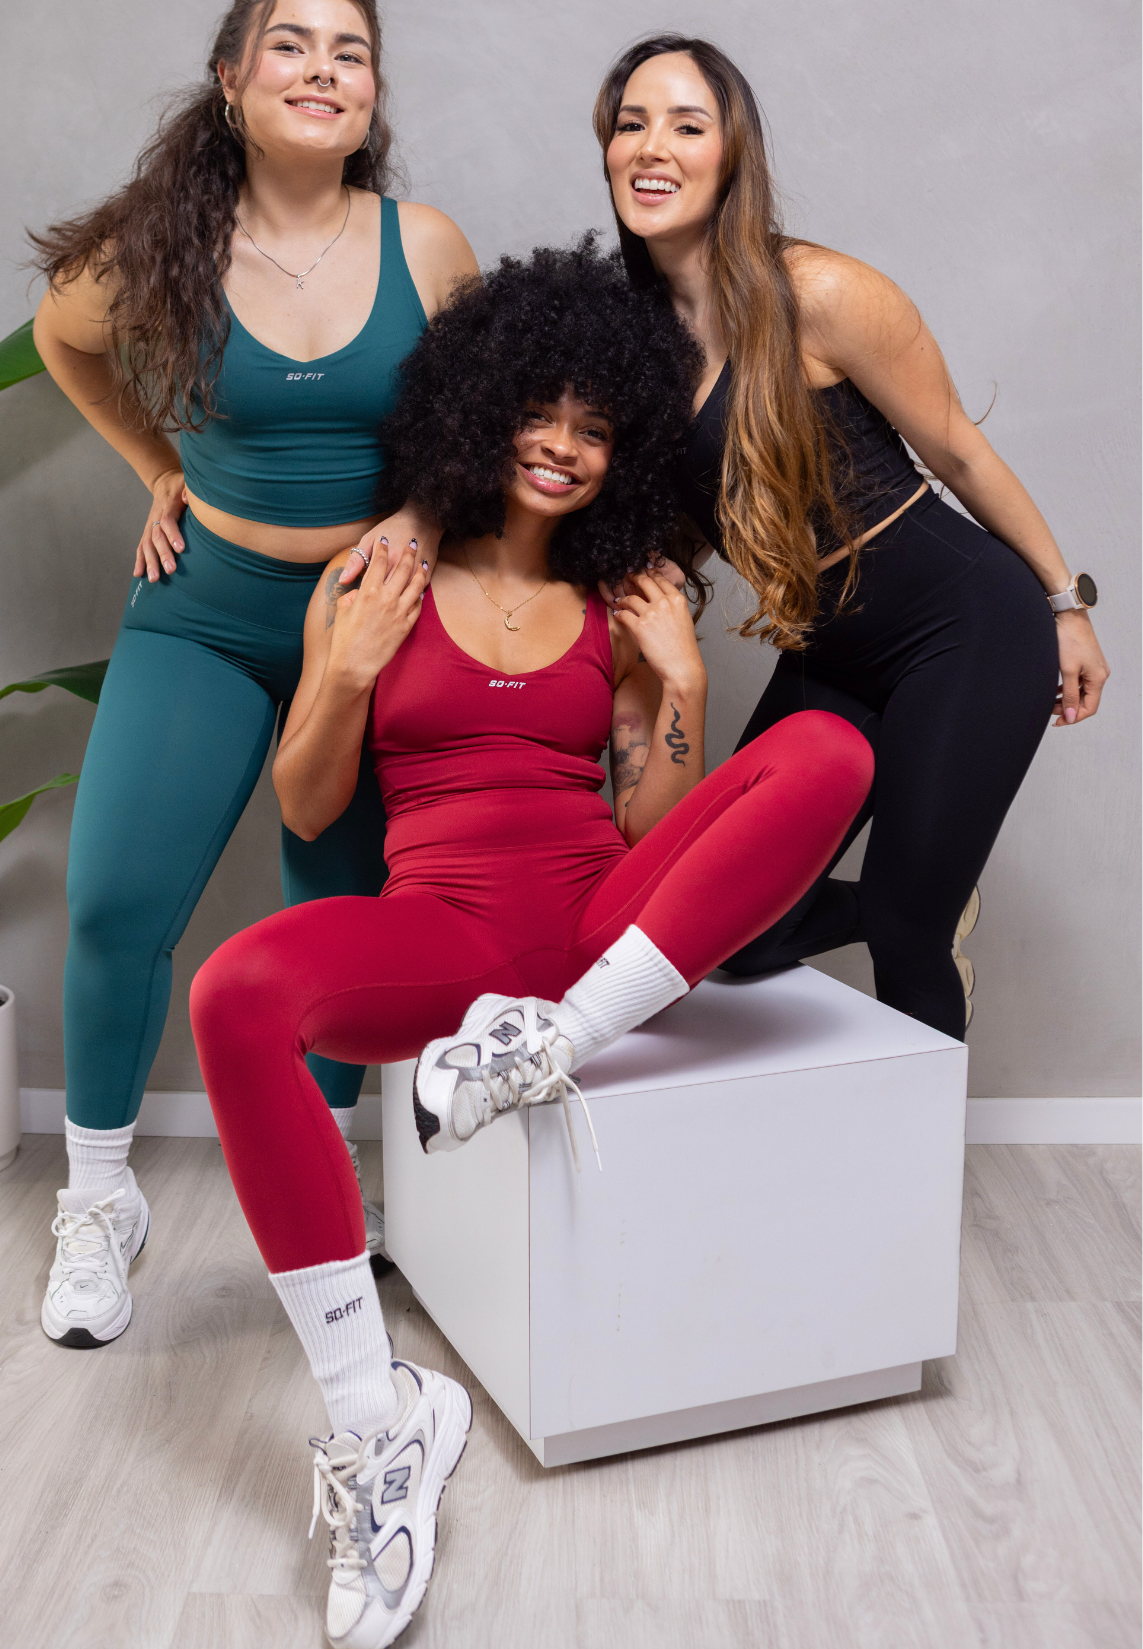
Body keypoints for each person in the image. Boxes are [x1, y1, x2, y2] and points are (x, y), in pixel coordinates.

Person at [187, 241, 874, 1649]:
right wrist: (348, 672)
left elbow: (654, 832)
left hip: (593, 939)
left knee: (827, 750)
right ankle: (378, 1419)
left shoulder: (622, 601)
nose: (561, 446)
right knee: (234, 990)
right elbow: (308, 805)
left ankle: (549, 1043)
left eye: (593, 428)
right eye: (537, 414)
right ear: (478, 411)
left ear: (621, 453)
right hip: (438, 938)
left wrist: (680, 684)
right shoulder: (375, 578)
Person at [30, 0, 476, 1347]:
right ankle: (98, 1201)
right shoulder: (156, 247)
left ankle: (325, 1175)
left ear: (371, 95)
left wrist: (418, 518)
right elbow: (64, 343)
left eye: (350, 50)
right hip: (206, 611)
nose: (322, 68)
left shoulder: (424, 246)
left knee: (335, 922)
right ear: (233, 80)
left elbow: (474, 423)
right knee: (115, 902)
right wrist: (160, 471)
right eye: (291, 44)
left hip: (371, 624)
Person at [579, 34, 1109, 1042]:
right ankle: (924, 897)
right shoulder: (631, 339)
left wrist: (1063, 604)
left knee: (907, 935)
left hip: (964, 627)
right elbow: (704, 500)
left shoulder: (815, 292)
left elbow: (957, 451)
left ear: (731, 154)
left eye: (687, 125)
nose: (653, 147)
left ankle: (921, 934)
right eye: (631, 123)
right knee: (736, 929)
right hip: (829, 649)